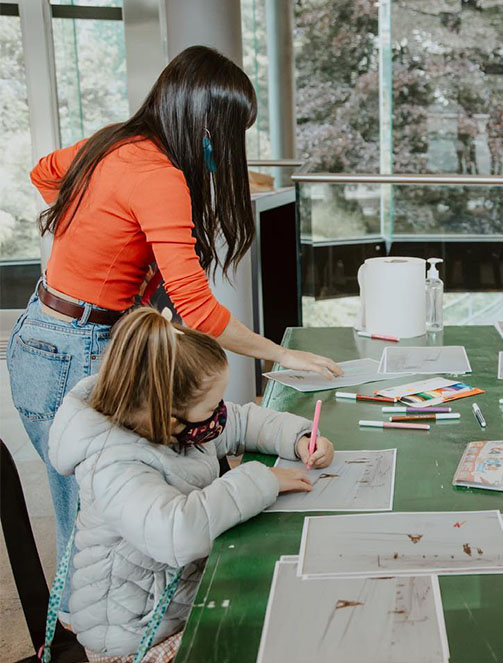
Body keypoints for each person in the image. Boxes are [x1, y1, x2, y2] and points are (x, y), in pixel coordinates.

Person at [7, 46, 341, 586]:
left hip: (47, 333)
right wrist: (282, 354)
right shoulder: (157, 176)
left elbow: (45, 173)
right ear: (206, 123)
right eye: (232, 131)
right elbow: (197, 309)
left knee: (96, 511)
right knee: (91, 527)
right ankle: (86, 628)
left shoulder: (113, 142)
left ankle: (109, 618)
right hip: (78, 347)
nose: (230, 148)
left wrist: (98, 230)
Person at [45, 308, 332, 661]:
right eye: (211, 408)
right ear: (169, 417)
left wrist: (299, 438)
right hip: (137, 636)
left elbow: (240, 421)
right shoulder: (114, 464)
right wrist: (261, 480)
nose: (220, 414)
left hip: (180, 597)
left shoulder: (177, 421)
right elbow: (176, 532)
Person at [486, 107, 503, 176]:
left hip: (500, 140)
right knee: (493, 156)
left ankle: (499, 172)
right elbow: (488, 130)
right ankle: (493, 170)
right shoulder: (491, 120)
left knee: (500, 157)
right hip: (493, 140)